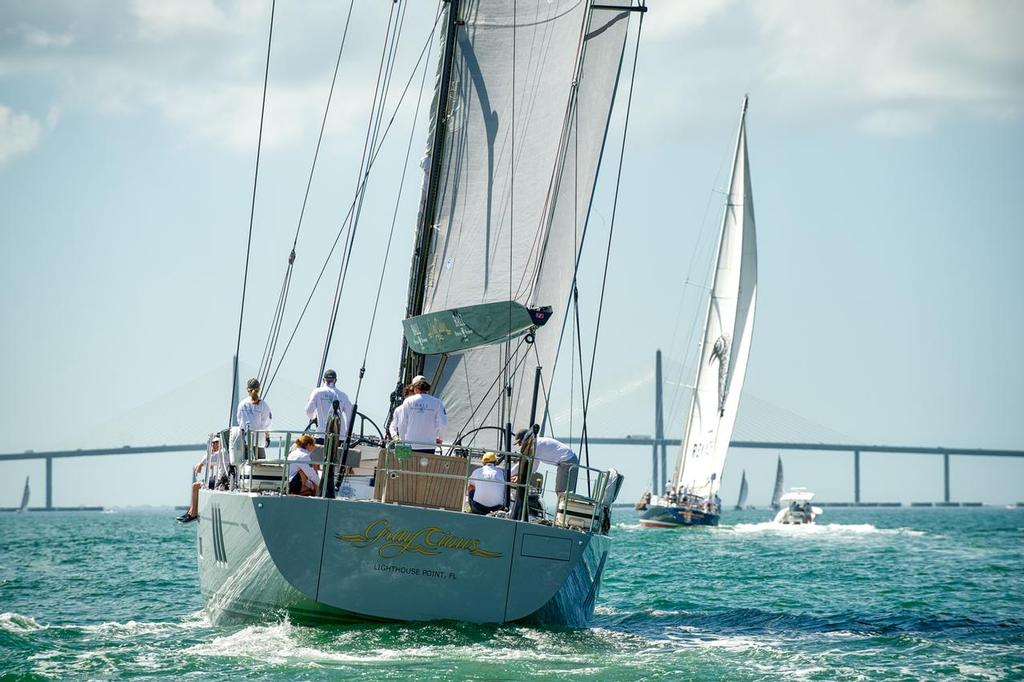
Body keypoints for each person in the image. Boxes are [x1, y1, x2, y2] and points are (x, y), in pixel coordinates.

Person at [176, 436, 228, 523]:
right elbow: (209, 460)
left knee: (195, 486)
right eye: (213, 443)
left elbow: (208, 460)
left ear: (222, 443)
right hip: (217, 478)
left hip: (221, 481)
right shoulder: (222, 453)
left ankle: (192, 514)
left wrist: (200, 464)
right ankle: (190, 512)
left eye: (217, 442)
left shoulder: (223, 452)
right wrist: (201, 463)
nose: (214, 445)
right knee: (197, 485)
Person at [390, 375, 448, 453]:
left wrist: (403, 441)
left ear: (415, 388)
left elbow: (402, 424)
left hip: (410, 445)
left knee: (408, 465)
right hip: (429, 446)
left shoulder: (408, 402)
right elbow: (443, 424)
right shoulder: (438, 403)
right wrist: (440, 438)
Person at [514, 428, 579, 494]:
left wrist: (509, 474)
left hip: (567, 460)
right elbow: (534, 467)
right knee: (564, 491)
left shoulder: (535, 445)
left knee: (560, 490)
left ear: (525, 438)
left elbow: (526, 465)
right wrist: (519, 476)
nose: (520, 445)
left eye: (520, 442)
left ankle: (563, 503)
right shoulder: (537, 443)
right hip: (570, 459)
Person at [305, 369, 354, 439]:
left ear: (323, 380)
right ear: (335, 380)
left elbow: (308, 410)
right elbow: (350, 415)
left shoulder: (317, 392)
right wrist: (346, 433)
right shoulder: (343, 395)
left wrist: (314, 417)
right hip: (339, 436)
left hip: (322, 434)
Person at [237, 378, 272, 458]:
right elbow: (267, 424)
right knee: (261, 464)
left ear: (247, 390)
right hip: (259, 441)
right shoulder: (263, 405)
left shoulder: (242, 404)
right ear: (259, 389)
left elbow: (239, 421)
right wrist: (267, 438)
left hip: (245, 440)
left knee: (245, 464)